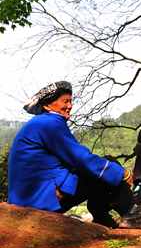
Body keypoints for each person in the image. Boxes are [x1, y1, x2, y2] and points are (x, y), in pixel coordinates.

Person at [9, 81, 133, 228]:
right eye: (65, 101)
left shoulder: (40, 123)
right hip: (40, 199)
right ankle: (132, 214)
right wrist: (121, 173)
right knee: (108, 165)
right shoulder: (50, 124)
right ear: (48, 105)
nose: (70, 106)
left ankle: (102, 218)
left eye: (71, 101)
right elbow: (81, 159)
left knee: (102, 169)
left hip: (29, 198)